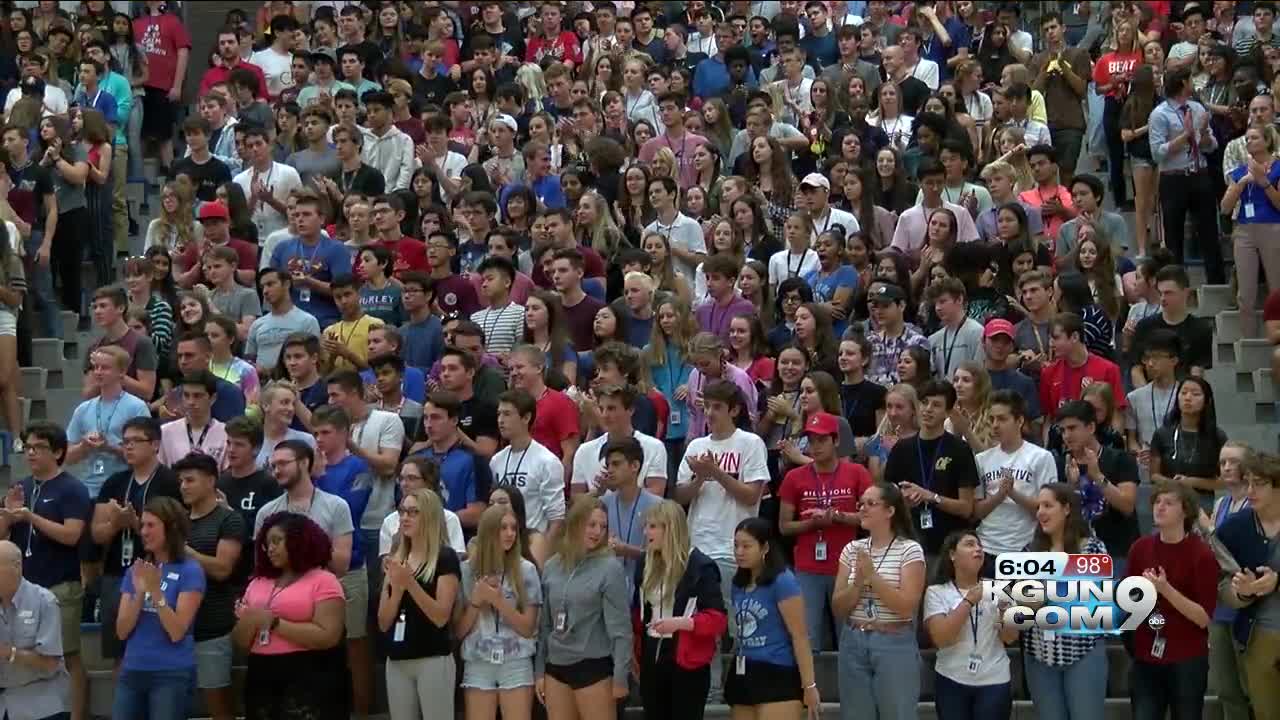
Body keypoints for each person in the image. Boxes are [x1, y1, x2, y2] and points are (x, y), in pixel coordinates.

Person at [5, 422, 89, 720]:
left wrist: (30, 515)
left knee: (67, 655)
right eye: (27, 447)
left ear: (57, 451)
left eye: (38, 447)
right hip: (21, 590)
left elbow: (71, 535)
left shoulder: (72, 489)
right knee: (25, 655)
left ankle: (75, 715)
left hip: (58, 585)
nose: (30, 453)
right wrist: (9, 515)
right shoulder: (22, 486)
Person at [233, 512, 347, 720]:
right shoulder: (257, 583)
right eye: (267, 543)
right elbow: (241, 642)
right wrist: (250, 620)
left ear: (298, 541)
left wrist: (275, 624)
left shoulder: (324, 581)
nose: (270, 549)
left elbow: (329, 636)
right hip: (261, 674)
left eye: (277, 541)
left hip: (307, 673)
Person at [828, 480, 924, 720]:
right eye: (861, 503)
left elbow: (906, 605)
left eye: (871, 504)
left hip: (894, 641)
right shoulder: (852, 549)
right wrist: (859, 583)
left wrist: (872, 576)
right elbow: (838, 607)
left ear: (890, 511)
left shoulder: (909, 550)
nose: (862, 508)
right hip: (853, 639)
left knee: (898, 714)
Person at [778, 412, 872, 651]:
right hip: (808, 566)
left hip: (847, 564)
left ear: (836, 441)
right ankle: (811, 686)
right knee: (808, 638)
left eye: (822, 440)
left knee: (849, 637)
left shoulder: (857, 473)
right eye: (811, 441)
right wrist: (813, 524)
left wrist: (837, 517)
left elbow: (870, 518)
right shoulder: (794, 477)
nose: (816, 447)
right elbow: (784, 526)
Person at [1124, 481, 1218, 720]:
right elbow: (1126, 602)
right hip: (1146, 655)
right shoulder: (1140, 548)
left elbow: (1203, 617)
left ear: (1185, 511)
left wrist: (1165, 589)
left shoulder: (1202, 554)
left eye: (1168, 502)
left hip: (1187, 659)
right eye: (1157, 501)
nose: (1160, 507)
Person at [534, 496, 632, 718]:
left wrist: (620, 677)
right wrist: (540, 671)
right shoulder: (551, 566)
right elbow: (545, 626)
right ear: (576, 523)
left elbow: (621, 631)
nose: (597, 531)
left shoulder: (610, 568)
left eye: (603, 526)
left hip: (593, 667)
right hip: (555, 667)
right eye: (592, 524)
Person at [1020, 483, 1110, 719]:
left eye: (1048, 505)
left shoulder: (1092, 548)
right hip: (1039, 654)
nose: (1040, 512)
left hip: (1083, 651)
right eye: (1039, 506)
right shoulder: (1028, 553)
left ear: (1067, 509)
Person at [111, 497, 206, 720]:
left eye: (151, 525)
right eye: (142, 525)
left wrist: (156, 592)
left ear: (171, 527)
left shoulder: (190, 571)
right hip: (132, 670)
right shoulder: (137, 570)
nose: (143, 531)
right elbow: (122, 631)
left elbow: (176, 632)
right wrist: (140, 593)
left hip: (170, 673)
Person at [634, 499, 725, 720]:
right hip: (651, 654)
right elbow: (638, 612)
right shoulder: (645, 562)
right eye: (646, 526)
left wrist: (681, 623)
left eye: (653, 526)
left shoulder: (701, 566)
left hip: (686, 658)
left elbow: (718, 620)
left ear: (671, 528)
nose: (647, 532)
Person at [725, 517, 822, 718]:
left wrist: (809, 685)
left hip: (776, 671)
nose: (739, 552)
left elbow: (800, 635)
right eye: (736, 546)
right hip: (743, 671)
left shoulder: (783, 581)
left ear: (765, 548)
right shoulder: (738, 583)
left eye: (746, 546)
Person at [377, 488, 461, 720]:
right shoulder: (396, 559)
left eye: (413, 512)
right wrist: (397, 590)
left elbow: (441, 616)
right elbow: (383, 623)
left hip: (433, 657)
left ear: (430, 516)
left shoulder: (445, 558)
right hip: (397, 659)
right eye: (403, 511)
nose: (405, 517)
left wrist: (410, 584)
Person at [173, 453, 244, 720]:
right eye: (181, 481)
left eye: (190, 480)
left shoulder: (228, 519)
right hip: (177, 628)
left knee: (217, 705)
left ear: (211, 481)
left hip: (213, 625)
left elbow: (223, 569)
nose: (183, 486)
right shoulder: (178, 522)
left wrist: (183, 549)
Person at [456, 502, 541, 720]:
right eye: (503, 528)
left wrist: (499, 601)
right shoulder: (467, 570)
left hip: (516, 661)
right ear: (488, 531)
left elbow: (527, 628)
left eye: (513, 528)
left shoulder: (527, 570)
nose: (510, 534)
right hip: (477, 661)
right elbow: (458, 632)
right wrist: (476, 602)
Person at [924, 530, 1019, 720]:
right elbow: (941, 638)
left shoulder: (1001, 590)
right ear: (952, 555)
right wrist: (968, 601)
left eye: (980, 546)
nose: (978, 549)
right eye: (969, 544)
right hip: (951, 678)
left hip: (994, 679)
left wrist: (1003, 610)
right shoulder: (937, 592)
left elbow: (1010, 638)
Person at [882, 379, 978, 563]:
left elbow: (966, 508)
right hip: (908, 544)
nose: (927, 409)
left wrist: (930, 497)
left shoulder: (959, 449)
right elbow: (886, 497)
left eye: (936, 405)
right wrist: (904, 499)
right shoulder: (901, 448)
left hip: (948, 548)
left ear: (948, 412)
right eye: (924, 403)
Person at [1216, 451, 1280, 720]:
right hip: (1260, 635)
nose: (1250, 491)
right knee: (1266, 712)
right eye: (1248, 483)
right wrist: (1242, 592)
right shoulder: (1232, 529)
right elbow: (1220, 585)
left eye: (1260, 483)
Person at [972, 390, 1057, 575]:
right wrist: (1000, 495)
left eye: (1002, 419)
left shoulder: (1041, 457)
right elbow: (977, 511)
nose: (995, 425)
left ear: (1019, 421)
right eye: (992, 419)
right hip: (986, 547)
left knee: (1022, 604)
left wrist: (1013, 494)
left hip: (1024, 548)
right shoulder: (981, 460)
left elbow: (1046, 509)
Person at [1054, 401, 1141, 575]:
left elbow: (1127, 505)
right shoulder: (1060, 463)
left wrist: (1097, 477)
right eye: (1063, 430)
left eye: (1072, 428)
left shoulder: (1120, 460)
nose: (1066, 435)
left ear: (1091, 427)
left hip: (1116, 552)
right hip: (1076, 553)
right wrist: (1072, 487)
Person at [253, 440, 355, 582]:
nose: (276, 471)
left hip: (321, 591)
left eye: (283, 464)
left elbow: (341, 566)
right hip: (280, 592)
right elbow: (261, 565)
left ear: (304, 463)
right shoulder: (266, 512)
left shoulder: (336, 506)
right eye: (274, 466)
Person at [1200, 442, 1252, 720]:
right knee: (1226, 688)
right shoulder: (1220, 504)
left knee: (1253, 685)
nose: (1227, 467)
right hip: (1219, 605)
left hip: (1250, 603)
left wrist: (1209, 531)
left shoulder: (1257, 503)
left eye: (1233, 461)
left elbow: (1242, 553)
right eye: (1223, 462)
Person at [0, 538, 70, 720]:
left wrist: (9, 652)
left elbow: (51, 663)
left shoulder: (44, 601)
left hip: (40, 705)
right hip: (5, 705)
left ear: (16, 566)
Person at [1222, 122, 1280, 337]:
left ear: (1267, 141)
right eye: (1247, 139)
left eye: (1254, 138)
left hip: (1273, 227)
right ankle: (1248, 339)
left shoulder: (1278, 168)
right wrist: (1243, 182)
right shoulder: (1240, 171)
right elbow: (1225, 207)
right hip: (1245, 229)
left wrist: (1264, 182)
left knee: (1277, 287)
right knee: (1245, 293)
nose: (1249, 142)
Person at [595, 437, 663, 599]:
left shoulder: (657, 506)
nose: (610, 470)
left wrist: (627, 550)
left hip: (647, 590)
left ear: (635, 466)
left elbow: (665, 555)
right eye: (608, 465)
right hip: (608, 591)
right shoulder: (602, 504)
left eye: (616, 464)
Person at [572, 384, 667, 497]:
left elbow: (657, 495)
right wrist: (599, 492)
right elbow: (576, 501)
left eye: (611, 408)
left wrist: (621, 487)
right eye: (602, 409)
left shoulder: (654, 447)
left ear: (631, 410)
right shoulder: (584, 451)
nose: (605, 415)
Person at [1149, 377, 1229, 509]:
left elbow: (1223, 481)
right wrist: (1173, 484)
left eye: (1196, 394)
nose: (1188, 397)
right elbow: (1153, 475)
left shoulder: (1216, 436)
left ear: (1206, 401)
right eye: (1183, 393)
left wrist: (1190, 482)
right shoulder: (1162, 433)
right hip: (1168, 501)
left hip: (1203, 504)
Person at [1128, 265, 1215, 386]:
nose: (1163, 298)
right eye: (1160, 293)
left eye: (1169, 293)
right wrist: (1147, 397)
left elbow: (1196, 372)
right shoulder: (1145, 326)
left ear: (1186, 293)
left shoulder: (1201, 328)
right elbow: (1136, 369)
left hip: (1183, 393)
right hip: (1150, 392)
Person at [379, 458, 466, 561]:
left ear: (429, 482)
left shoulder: (449, 518)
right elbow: (385, 565)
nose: (404, 484)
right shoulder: (390, 521)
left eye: (411, 478)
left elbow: (458, 559)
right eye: (401, 478)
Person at [245, 268, 322, 375]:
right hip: (263, 386)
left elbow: (315, 362)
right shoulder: (257, 325)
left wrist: (268, 372)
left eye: (270, 284)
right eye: (263, 287)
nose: (265, 291)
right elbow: (249, 360)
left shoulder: (307, 321)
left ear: (286, 284)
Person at [158, 372, 228, 467]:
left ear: (212, 398)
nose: (191, 402)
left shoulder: (225, 434)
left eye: (197, 396)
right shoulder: (165, 431)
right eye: (186, 395)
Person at [929, 279, 985, 380]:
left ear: (959, 299)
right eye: (935, 303)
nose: (937, 308)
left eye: (942, 301)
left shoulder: (976, 332)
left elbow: (979, 372)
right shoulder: (933, 339)